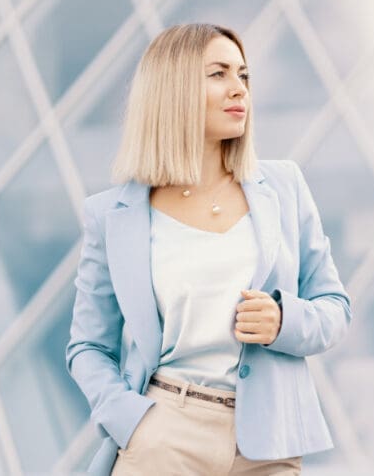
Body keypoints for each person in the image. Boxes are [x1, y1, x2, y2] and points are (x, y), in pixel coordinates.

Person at [65, 23, 352, 475]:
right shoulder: (112, 215)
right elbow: (87, 346)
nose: (239, 89)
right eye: (218, 74)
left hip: (268, 443)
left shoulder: (284, 186)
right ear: (173, 89)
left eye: (244, 75)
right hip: (163, 436)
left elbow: (335, 308)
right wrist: (131, 422)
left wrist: (284, 320)